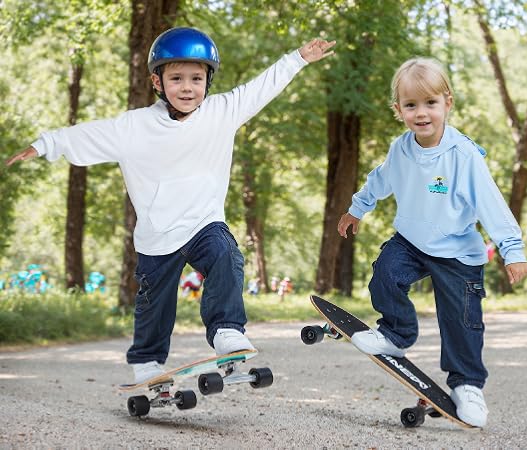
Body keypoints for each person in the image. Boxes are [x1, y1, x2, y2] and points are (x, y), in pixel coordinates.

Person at [6, 27, 335, 384]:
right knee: (154, 305)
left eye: (196, 78)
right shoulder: (135, 126)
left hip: (203, 223)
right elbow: (89, 134)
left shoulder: (222, 111)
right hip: (157, 234)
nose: (187, 87)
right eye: (176, 78)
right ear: (157, 81)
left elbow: (261, 87)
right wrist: (44, 145)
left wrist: (298, 59)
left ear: (208, 80)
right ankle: (147, 363)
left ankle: (226, 331)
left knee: (226, 254)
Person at [337, 57, 527, 428]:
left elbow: (491, 203)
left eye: (430, 103)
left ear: (447, 103)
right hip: (411, 241)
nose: (421, 113)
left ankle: (468, 385)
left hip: (458, 251)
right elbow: (380, 180)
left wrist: (512, 248)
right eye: (411, 105)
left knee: (462, 321)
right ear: (399, 110)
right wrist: (357, 208)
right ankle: (396, 334)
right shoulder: (402, 148)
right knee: (385, 275)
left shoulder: (463, 155)